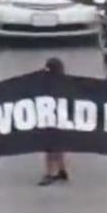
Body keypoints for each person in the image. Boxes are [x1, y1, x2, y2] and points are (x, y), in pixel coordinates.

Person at [38, 57, 70, 185]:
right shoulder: (68, 84)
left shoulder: (46, 85)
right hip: (63, 120)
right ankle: (62, 169)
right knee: (59, 146)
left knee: (50, 148)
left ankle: (50, 173)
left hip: (51, 120)